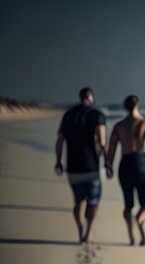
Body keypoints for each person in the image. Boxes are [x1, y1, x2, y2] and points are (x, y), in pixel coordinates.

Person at [106, 95, 145, 246]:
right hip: (141, 165)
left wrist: (109, 166)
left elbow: (111, 150)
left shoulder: (119, 126)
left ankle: (131, 235)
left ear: (125, 107)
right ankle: (140, 219)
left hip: (125, 166)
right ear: (137, 105)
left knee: (128, 204)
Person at [55, 87, 106, 243]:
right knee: (94, 200)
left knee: (78, 201)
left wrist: (58, 161)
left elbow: (59, 141)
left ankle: (80, 231)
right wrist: (107, 161)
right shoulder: (96, 115)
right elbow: (102, 142)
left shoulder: (68, 115)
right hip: (91, 167)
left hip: (73, 167)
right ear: (91, 98)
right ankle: (88, 232)